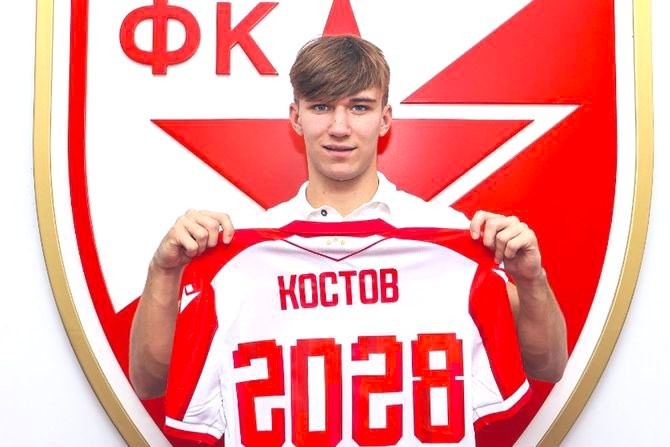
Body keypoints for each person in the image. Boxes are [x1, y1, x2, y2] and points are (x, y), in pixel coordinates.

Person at [129, 35, 568, 400]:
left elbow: (548, 365)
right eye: (321, 107)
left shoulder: (446, 237)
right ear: (296, 118)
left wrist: (531, 280)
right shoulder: (246, 249)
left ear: (385, 119)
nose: (339, 127)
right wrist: (163, 272)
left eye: (359, 107)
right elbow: (151, 383)